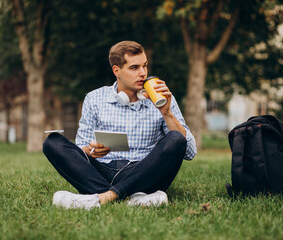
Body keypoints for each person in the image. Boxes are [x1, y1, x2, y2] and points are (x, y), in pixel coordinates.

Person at [43, 40, 197, 210]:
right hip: (103, 170)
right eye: (134, 68)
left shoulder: (163, 97)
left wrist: (166, 113)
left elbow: (189, 151)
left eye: (145, 66)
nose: (143, 73)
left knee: (176, 138)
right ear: (117, 70)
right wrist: (92, 150)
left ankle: (105, 197)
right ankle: (134, 198)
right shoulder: (94, 99)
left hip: (146, 172)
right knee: (52, 142)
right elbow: (80, 151)